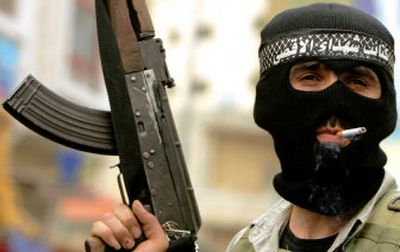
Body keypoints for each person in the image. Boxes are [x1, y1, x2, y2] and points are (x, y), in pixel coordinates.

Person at [88, 3, 400, 251]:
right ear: (272, 102)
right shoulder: (248, 244)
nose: (335, 103)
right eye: (310, 77)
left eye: (358, 81)